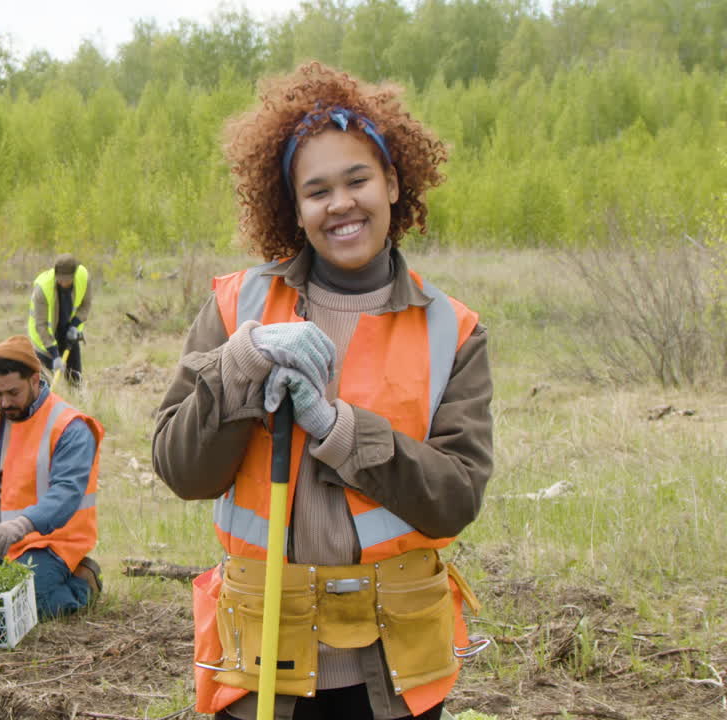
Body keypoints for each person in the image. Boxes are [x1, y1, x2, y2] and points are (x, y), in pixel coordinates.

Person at [152, 62, 493, 720]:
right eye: (316, 190)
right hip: (261, 661)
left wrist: (338, 430)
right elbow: (181, 469)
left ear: (393, 184)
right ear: (294, 208)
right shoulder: (236, 306)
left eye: (357, 179)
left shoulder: (453, 330)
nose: (340, 203)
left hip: (395, 674)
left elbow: (454, 499)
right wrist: (241, 362)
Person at [0, 335, 105, 618]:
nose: (4, 402)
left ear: (35, 381)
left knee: (21, 607)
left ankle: (83, 583)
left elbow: (67, 493)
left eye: (13, 393)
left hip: (51, 542)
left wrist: (20, 525)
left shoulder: (70, 427)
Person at [28, 253, 93, 385]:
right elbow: (41, 325)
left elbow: (85, 305)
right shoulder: (42, 288)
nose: (63, 283)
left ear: (74, 275)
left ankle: (76, 400)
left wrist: (74, 325)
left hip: (69, 334)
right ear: (55, 274)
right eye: (60, 279)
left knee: (75, 380)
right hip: (44, 339)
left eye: (67, 279)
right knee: (42, 385)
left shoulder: (83, 277)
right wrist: (55, 355)